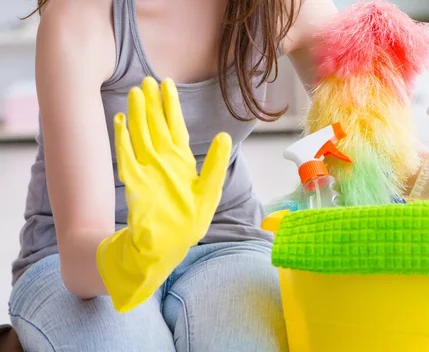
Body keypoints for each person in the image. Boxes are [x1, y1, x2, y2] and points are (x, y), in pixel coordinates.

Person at [8, 0, 337, 350]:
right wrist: (137, 255)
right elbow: (77, 261)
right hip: (90, 260)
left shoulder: (284, 8)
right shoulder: (82, 15)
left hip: (227, 240)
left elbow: (370, 143)